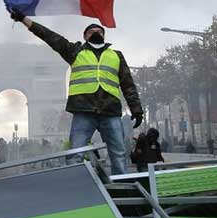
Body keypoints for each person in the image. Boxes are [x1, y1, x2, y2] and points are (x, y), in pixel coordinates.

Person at [10, 11, 143, 175]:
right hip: (84, 111)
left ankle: (122, 187)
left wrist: (136, 109)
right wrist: (24, 19)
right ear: (85, 36)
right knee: (75, 154)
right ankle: (75, 185)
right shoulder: (75, 51)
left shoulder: (116, 55)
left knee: (118, 154)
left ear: (104, 35)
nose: (96, 33)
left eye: (99, 31)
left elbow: (128, 84)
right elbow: (50, 37)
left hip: (110, 111)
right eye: (91, 31)